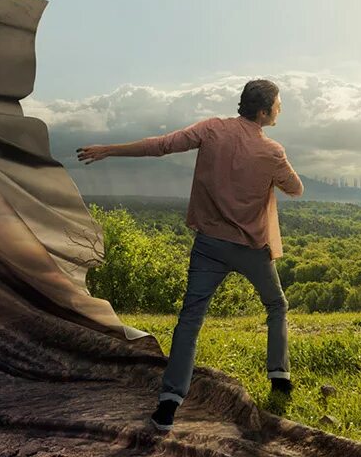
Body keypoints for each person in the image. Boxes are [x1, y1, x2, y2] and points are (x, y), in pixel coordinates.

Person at [75, 79, 303, 432]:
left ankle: (168, 404)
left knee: (190, 320)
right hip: (252, 250)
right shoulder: (272, 151)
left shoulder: (211, 129)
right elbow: (296, 189)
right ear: (263, 111)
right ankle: (279, 376)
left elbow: (162, 145)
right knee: (276, 306)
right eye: (278, 103)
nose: (280, 108)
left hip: (209, 245)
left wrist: (109, 149)